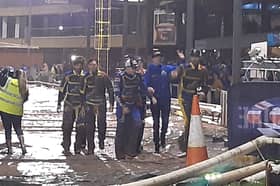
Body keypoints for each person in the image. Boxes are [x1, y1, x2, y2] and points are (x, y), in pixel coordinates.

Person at [171, 49, 208, 152]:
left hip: (195, 99)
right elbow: (174, 76)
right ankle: (185, 146)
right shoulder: (184, 68)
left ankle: (187, 142)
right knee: (188, 121)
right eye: (193, 57)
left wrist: (204, 92)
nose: (195, 59)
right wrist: (174, 74)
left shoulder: (203, 71)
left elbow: (206, 84)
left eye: (197, 57)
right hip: (184, 98)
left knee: (194, 121)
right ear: (191, 58)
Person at [144, 49, 176, 153]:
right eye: (156, 57)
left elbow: (179, 68)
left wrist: (181, 60)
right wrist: (151, 95)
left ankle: (163, 138)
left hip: (166, 99)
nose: (158, 59)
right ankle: (156, 144)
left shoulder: (166, 69)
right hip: (155, 100)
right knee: (156, 122)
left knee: (165, 121)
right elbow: (146, 84)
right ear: (152, 59)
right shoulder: (150, 70)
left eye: (159, 57)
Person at [80, 59, 114, 155]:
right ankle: (91, 147)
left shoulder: (103, 76)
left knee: (102, 124)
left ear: (97, 65)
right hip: (89, 104)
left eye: (94, 65)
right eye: (91, 65)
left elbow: (110, 89)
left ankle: (101, 140)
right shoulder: (85, 77)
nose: (93, 66)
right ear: (88, 66)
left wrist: (111, 103)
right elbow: (82, 92)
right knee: (89, 126)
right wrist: (82, 105)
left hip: (101, 104)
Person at [115, 57, 146, 160]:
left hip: (134, 105)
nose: (134, 70)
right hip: (122, 106)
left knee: (137, 124)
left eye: (135, 68)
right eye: (132, 68)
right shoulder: (120, 77)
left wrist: (151, 96)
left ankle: (131, 150)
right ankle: (119, 153)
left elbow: (143, 88)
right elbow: (116, 93)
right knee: (121, 128)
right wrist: (122, 106)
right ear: (127, 68)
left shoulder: (138, 77)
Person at [57, 56, 85, 156]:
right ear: (73, 65)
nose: (78, 66)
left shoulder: (85, 76)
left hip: (81, 105)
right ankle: (66, 147)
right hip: (69, 103)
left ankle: (78, 148)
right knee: (67, 127)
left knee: (81, 128)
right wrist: (59, 103)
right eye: (76, 64)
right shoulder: (67, 76)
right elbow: (61, 90)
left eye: (80, 65)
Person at [0, 67, 29, 155]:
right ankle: (23, 146)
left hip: (5, 110)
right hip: (17, 111)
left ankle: (10, 149)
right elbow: (25, 99)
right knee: (18, 128)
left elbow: (1, 76)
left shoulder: (8, 81)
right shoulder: (24, 86)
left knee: (8, 130)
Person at [134, 56, 147, 153]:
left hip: (142, 101)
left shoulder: (146, 74)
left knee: (141, 122)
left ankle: (138, 143)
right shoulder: (132, 75)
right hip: (133, 101)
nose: (138, 65)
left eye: (140, 62)